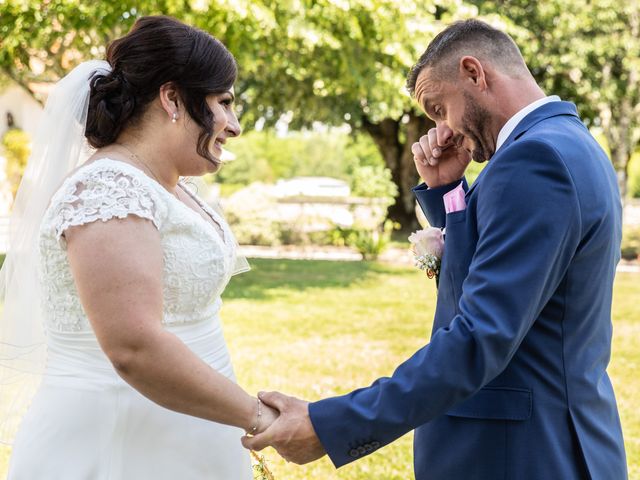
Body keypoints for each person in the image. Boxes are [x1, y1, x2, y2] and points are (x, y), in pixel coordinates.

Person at [243, 19, 628, 479]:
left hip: (518, 452)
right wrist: (448, 192)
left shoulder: (532, 160)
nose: (442, 131)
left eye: (439, 108)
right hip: (556, 438)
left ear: (474, 73)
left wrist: (329, 425)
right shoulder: (569, 143)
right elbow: (499, 286)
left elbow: (480, 335)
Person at [0, 15, 277, 479]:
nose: (233, 126)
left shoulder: (169, 185)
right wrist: (258, 416)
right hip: (118, 441)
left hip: (191, 430)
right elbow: (135, 346)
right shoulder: (107, 190)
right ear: (172, 98)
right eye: (223, 102)